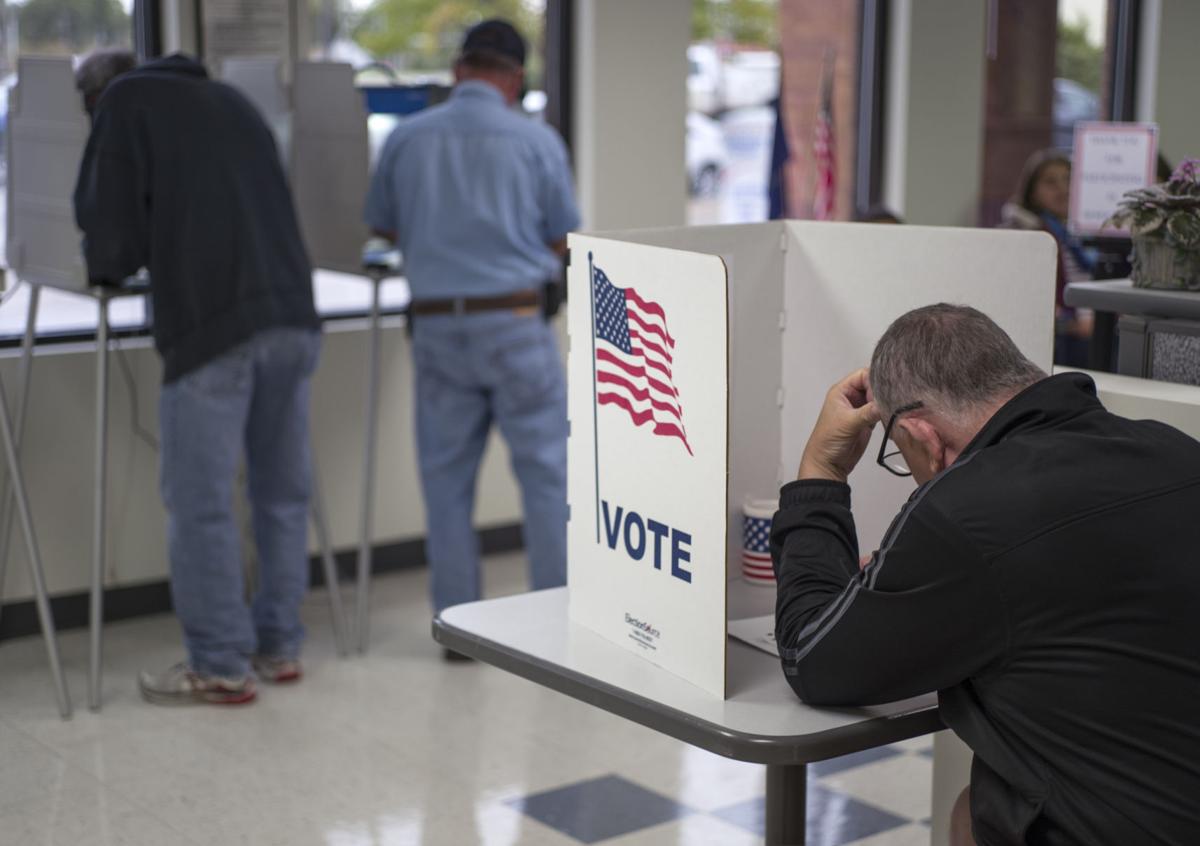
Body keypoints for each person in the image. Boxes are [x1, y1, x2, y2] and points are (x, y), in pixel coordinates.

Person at [772, 304, 1200, 845]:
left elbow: (810, 658)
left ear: (925, 438)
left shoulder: (965, 510)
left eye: (905, 457)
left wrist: (823, 471)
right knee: (970, 812)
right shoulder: (1174, 450)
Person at [74, 51, 322, 704]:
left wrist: (105, 263)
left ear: (93, 101)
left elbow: (109, 234)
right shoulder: (233, 101)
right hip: (293, 316)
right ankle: (279, 646)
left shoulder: (124, 102)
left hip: (214, 325)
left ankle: (218, 664)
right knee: (281, 495)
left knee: (201, 503)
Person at [364, 19, 579, 645]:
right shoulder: (536, 142)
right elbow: (562, 235)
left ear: (459, 71)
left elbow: (385, 227)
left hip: (438, 329)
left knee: (446, 482)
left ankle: (456, 629)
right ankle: (556, 626)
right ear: (514, 79)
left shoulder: (405, 139)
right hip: (516, 323)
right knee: (545, 480)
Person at [999, 150, 1096, 366]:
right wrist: (1073, 324)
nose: (1062, 188)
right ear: (1032, 192)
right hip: (1061, 334)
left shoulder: (1081, 232)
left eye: (1068, 179)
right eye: (1051, 182)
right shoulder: (1028, 234)